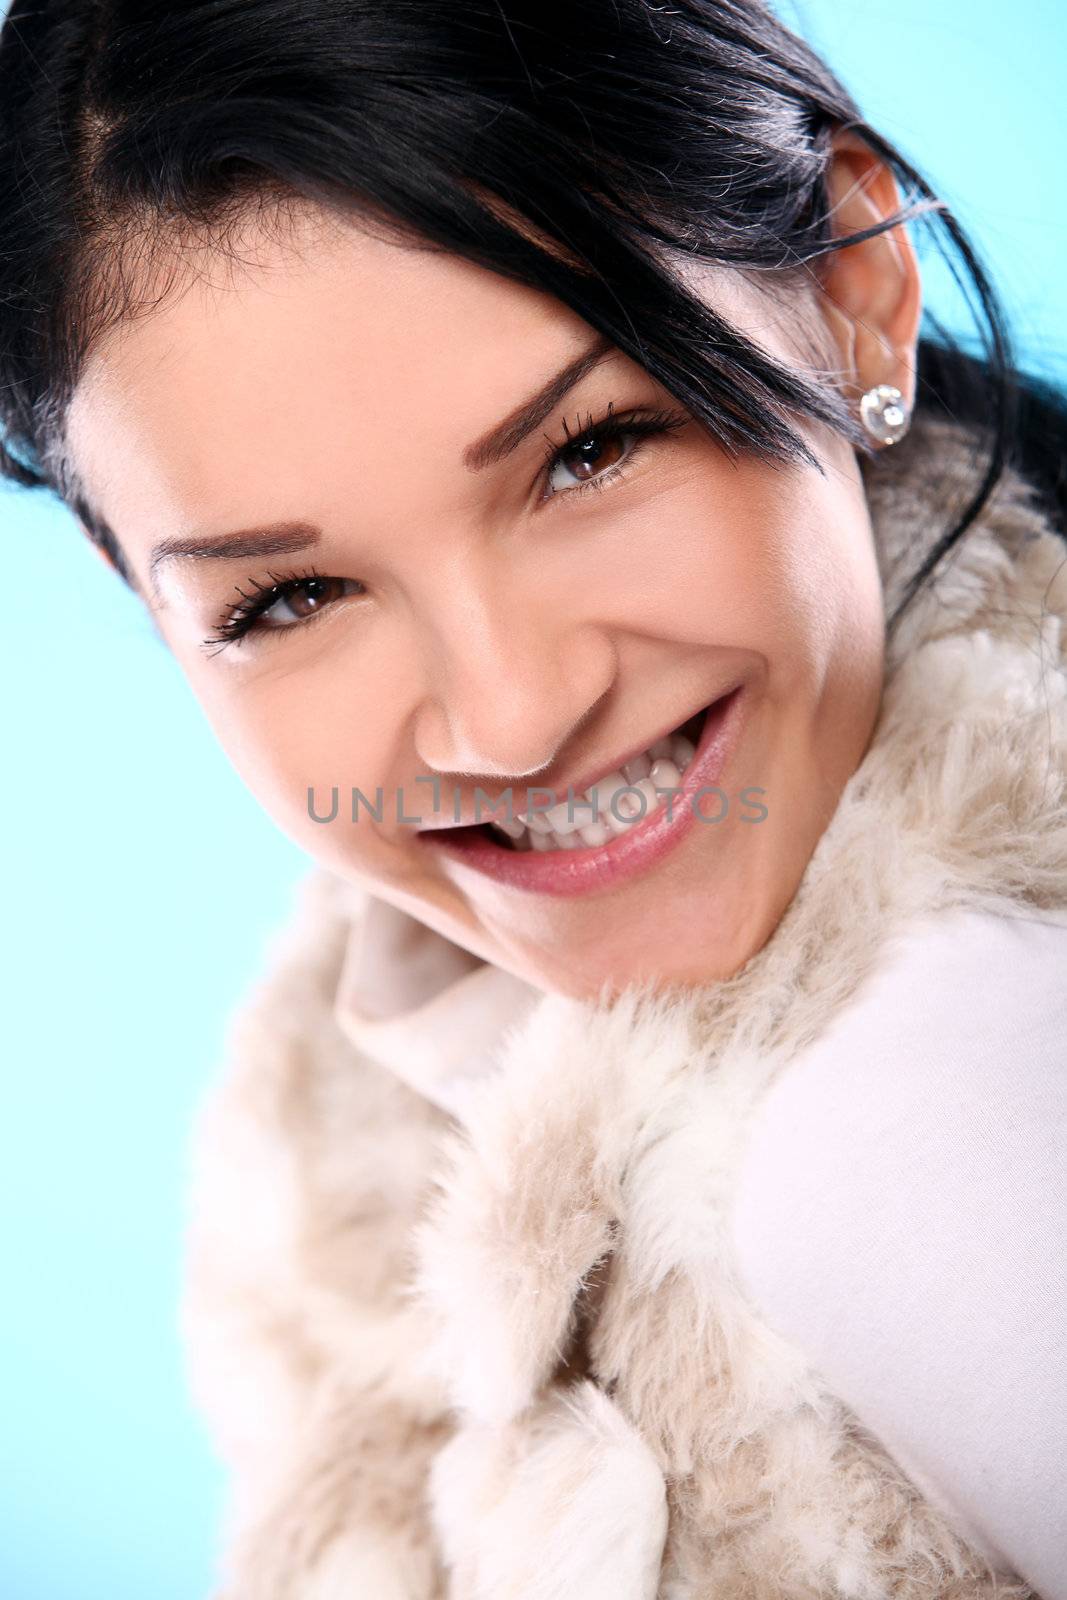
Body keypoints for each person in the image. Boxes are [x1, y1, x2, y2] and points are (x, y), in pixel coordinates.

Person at [1, 1, 1064, 1596]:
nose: (513, 714)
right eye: (287, 598)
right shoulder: (336, 1172)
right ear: (144, 598)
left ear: (855, 287)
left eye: (588, 453)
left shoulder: (920, 1129)